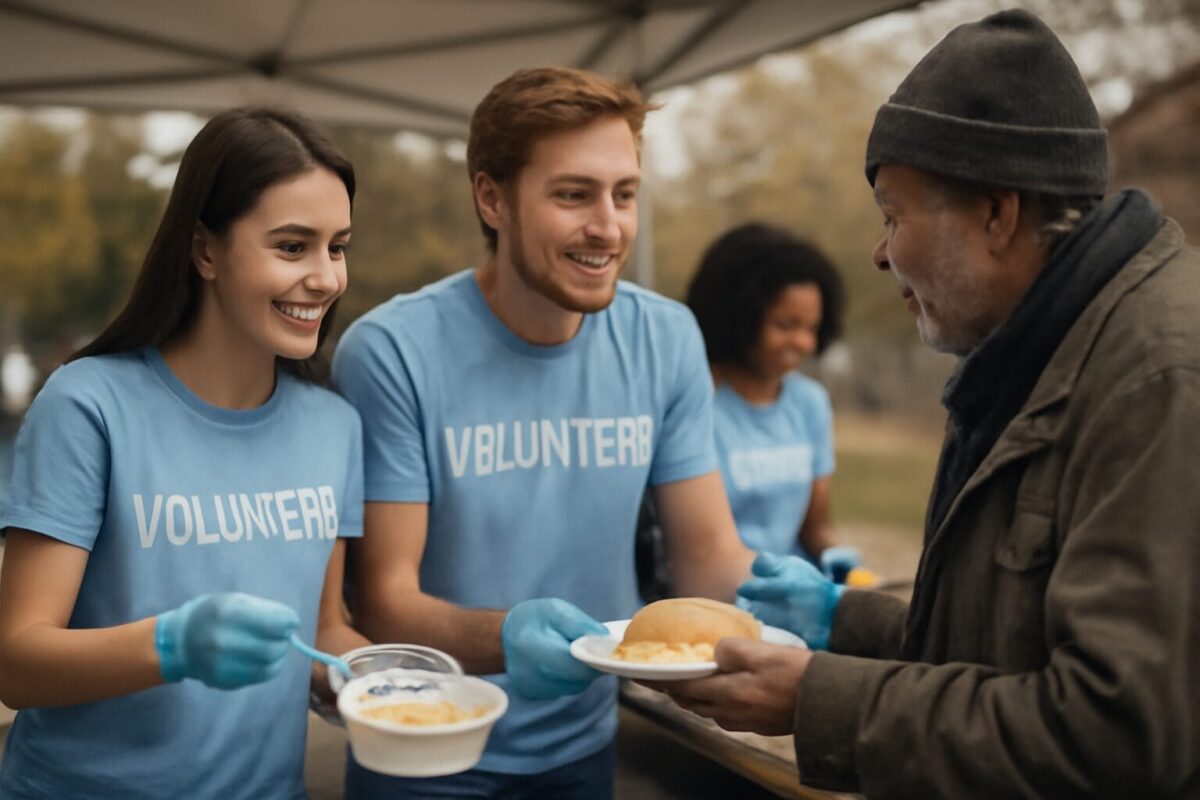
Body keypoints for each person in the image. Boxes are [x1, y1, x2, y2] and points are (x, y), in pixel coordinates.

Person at [648, 9, 1200, 798]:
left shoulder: (1159, 379)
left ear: (996, 214)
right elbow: (1011, 646)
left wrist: (818, 701)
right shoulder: (1034, 353)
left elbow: (1114, 732)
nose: (879, 253)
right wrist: (848, 624)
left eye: (893, 216)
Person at [332, 66, 756, 798]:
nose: (608, 226)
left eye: (624, 194)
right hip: (428, 750)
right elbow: (382, 601)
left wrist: (813, 613)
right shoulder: (392, 351)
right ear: (491, 198)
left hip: (583, 748)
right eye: (572, 195)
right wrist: (506, 638)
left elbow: (709, 555)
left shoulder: (666, 338)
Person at [0, 106, 369, 799]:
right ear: (204, 250)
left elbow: (323, 632)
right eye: (292, 246)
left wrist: (393, 678)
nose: (325, 278)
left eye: (337, 246)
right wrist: (171, 645)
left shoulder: (336, 427)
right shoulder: (88, 406)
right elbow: (16, 664)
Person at [685, 223, 860, 579]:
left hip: (796, 598)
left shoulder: (810, 403)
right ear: (738, 316)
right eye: (785, 325)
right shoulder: (695, 403)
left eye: (811, 328)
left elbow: (815, 528)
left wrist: (846, 568)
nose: (803, 343)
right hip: (724, 595)